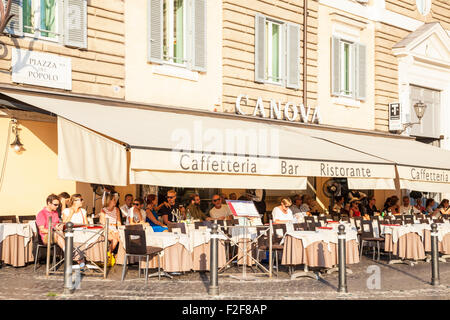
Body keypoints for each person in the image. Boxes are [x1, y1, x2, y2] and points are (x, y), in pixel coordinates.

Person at [100, 193, 122, 265]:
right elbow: (103, 223)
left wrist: (119, 231)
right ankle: (109, 255)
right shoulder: (103, 210)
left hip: (114, 228)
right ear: (109, 201)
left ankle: (118, 258)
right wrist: (110, 231)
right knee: (115, 239)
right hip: (106, 229)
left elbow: (119, 222)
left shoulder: (117, 210)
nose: (115, 201)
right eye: (114, 200)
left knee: (120, 238)